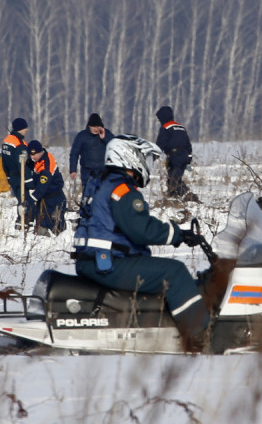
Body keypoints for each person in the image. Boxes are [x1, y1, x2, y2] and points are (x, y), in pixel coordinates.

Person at [72, 135, 210, 351]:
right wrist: (178, 234)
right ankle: (201, 337)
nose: (148, 165)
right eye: (145, 158)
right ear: (130, 156)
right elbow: (141, 229)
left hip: (95, 261)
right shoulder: (122, 190)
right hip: (109, 263)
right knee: (174, 273)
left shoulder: (102, 182)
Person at [155, 106, 197, 202]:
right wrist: (189, 158)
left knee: (173, 180)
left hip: (174, 156)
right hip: (184, 156)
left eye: (159, 118)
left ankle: (184, 198)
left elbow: (160, 144)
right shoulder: (181, 127)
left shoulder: (165, 128)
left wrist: (154, 155)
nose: (159, 121)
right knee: (176, 178)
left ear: (163, 117)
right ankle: (180, 198)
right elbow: (188, 144)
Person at [27, 140, 67, 235]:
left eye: (34, 155)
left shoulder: (47, 165)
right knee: (41, 227)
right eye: (31, 155)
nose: (32, 157)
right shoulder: (38, 160)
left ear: (40, 151)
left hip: (54, 199)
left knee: (58, 226)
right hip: (44, 199)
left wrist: (31, 199)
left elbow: (42, 186)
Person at [1, 117, 34, 227]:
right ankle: (23, 223)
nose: (27, 130)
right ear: (20, 128)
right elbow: (23, 165)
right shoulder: (19, 145)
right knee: (26, 202)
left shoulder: (6, 141)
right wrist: (29, 181)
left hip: (12, 177)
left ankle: (21, 223)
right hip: (21, 178)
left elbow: (4, 162)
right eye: (25, 128)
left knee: (21, 200)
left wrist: (9, 178)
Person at [69, 113, 113, 190]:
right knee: (88, 195)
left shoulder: (107, 134)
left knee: (103, 195)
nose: (96, 129)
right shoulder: (82, 136)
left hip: (104, 172)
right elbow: (74, 154)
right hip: (88, 172)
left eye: (98, 126)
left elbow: (114, 146)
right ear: (89, 126)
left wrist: (104, 138)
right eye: (94, 127)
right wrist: (73, 170)